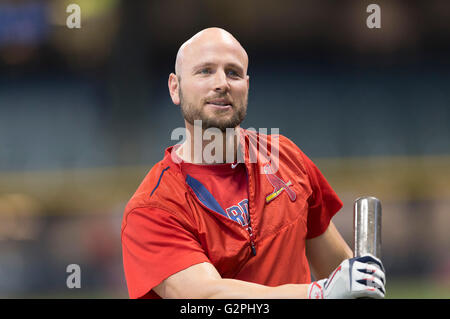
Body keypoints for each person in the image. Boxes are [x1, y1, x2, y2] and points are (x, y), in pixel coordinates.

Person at [121, 27, 386, 299]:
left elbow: (337, 268)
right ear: (175, 88)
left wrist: (360, 281)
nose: (221, 83)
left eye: (233, 72)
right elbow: (204, 297)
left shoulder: (286, 157)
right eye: (205, 71)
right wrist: (317, 294)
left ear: (246, 87)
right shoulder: (152, 208)